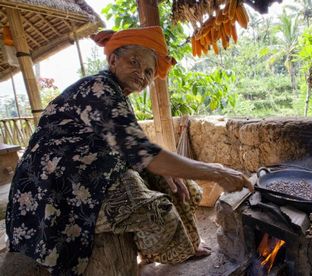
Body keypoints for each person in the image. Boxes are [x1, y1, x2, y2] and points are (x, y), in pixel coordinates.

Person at [5, 26, 253, 275]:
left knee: (181, 186)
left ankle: (185, 246)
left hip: (93, 172)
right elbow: (145, 155)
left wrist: (166, 170)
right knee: (156, 212)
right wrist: (217, 172)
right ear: (113, 60)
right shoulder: (98, 89)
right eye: (133, 61)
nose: (141, 74)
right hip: (55, 188)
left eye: (148, 71)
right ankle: (159, 251)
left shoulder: (116, 95)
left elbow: (137, 147)